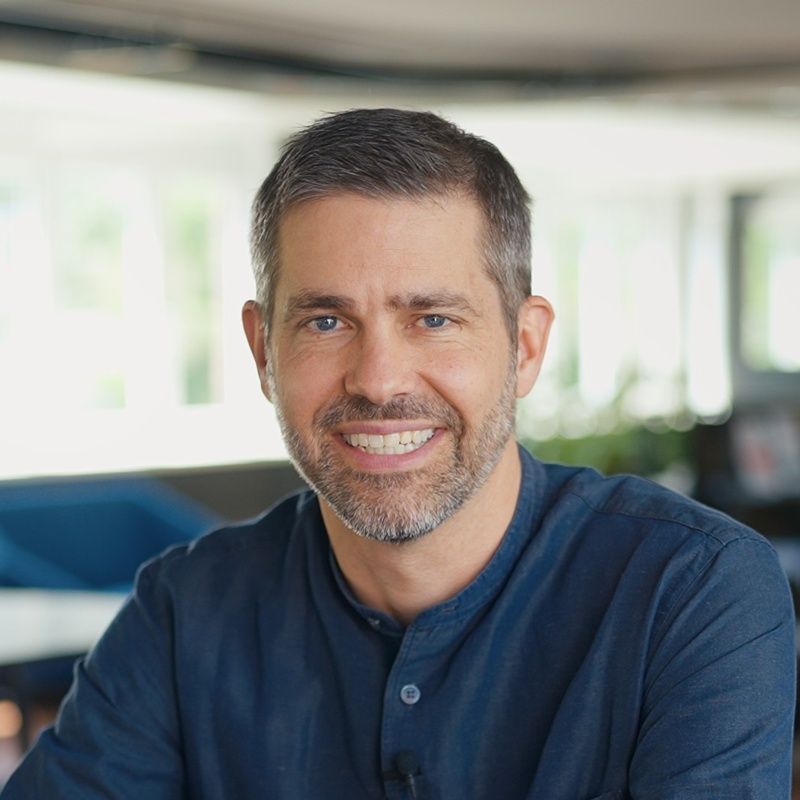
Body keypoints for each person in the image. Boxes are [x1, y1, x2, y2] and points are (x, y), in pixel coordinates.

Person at [2, 108, 795, 800]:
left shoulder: (690, 590)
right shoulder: (184, 612)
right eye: (325, 321)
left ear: (523, 346)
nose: (379, 382)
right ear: (261, 350)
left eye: (434, 319)